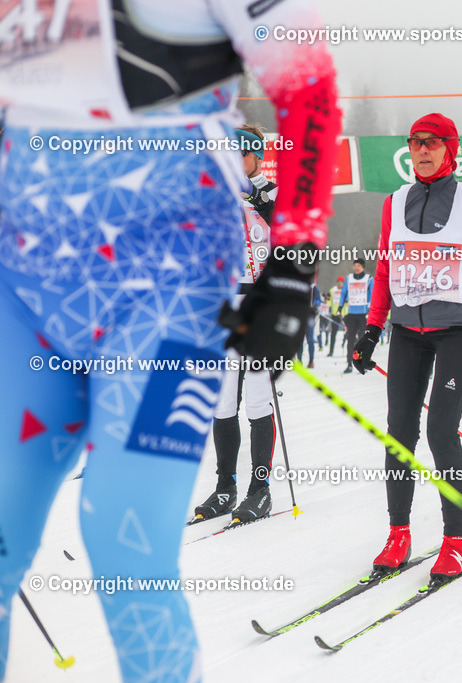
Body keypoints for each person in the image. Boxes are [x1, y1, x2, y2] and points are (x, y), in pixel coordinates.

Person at [0, 0, 340, 679]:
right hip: (24, 292)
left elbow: (310, 91)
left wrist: (292, 270)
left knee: (124, 536)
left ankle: (245, 485)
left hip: (167, 295)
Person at [351, 114, 462, 583]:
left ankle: (454, 541)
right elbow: (385, 270)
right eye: (415, 142)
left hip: (457, 330)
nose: (422, 150)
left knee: (441, 430)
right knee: (399, 433)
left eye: (431, 142)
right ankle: (398, 533)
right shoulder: (395, 202)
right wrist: (372, 329)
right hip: (408, 331)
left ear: (450, 149)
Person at [193, 125, 281, 526]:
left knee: (259, 399)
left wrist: (261, 196)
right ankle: (225, 486)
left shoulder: (272, 194)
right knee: (224, 400)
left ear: (255, 156)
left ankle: (259, 489)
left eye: (240, 153)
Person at [338, 259, 373, 373]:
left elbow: (372, 295)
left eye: (359, 265)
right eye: (355, 265)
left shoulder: (368, 279)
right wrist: (340, 307)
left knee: (362, 341)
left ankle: (362, 364)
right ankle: (349, 364)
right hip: (352, 314)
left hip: (363, 314)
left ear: (363, 267)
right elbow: (343, 293)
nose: (356, 268)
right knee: (350, 340)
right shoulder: (349, 279)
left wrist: (370, 310)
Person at [327, 275, 346, 356]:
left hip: (344, 314)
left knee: (349, 332)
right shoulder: (332, 290)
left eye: (341, 282)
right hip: (335, 314)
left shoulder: (346, 290)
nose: (339, 283)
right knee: (333, 334)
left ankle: (349, 350)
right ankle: (331, 351)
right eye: (338, 282)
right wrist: (327, 298)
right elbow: (329, 303)